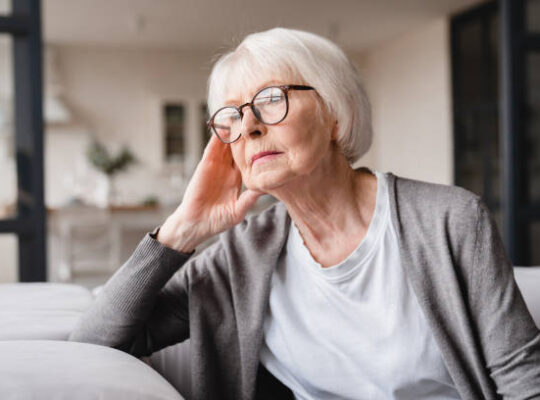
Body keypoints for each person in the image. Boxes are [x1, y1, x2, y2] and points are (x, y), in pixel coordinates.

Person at [69, 28, 540, 400]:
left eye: (271, 99)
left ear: (335, 116)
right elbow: (92, 344)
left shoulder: (450, 220)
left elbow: (525, 383)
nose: (249, 125)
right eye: (231, 116)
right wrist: (181, 231)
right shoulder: (241, 255)